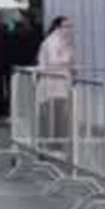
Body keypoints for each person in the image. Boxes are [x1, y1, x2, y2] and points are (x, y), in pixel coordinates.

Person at [36, 15, 78, 146]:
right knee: (52, 115)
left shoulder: (66, 41)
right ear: (58, 27)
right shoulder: (52, 41)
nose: (69, 29)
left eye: (71, 26)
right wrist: (67, 60)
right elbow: (53, 61)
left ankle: (57, 142)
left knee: (60, 115)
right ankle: (49, 142)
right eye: (66, 26)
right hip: (52, 83)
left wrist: (72, 67)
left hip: (61, 84)